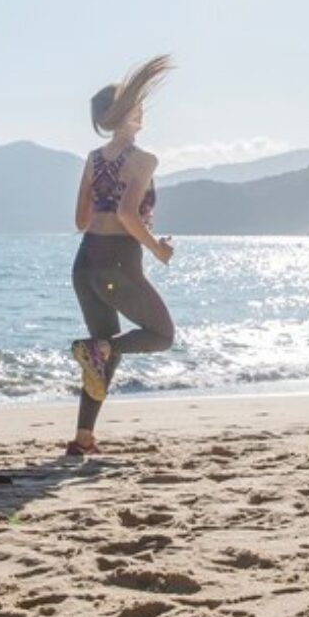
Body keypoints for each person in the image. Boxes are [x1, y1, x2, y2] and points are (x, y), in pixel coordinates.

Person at [67, 55, 176, 456]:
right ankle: (84, 431)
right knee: (162, 335)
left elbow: (81, 221)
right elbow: (128, 214)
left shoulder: (93, 160)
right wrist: (158, 248)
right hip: (118, 262)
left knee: (101, 350)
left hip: (85, 264)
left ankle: (83, 439)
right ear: (127, 112)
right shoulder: (143, 160)